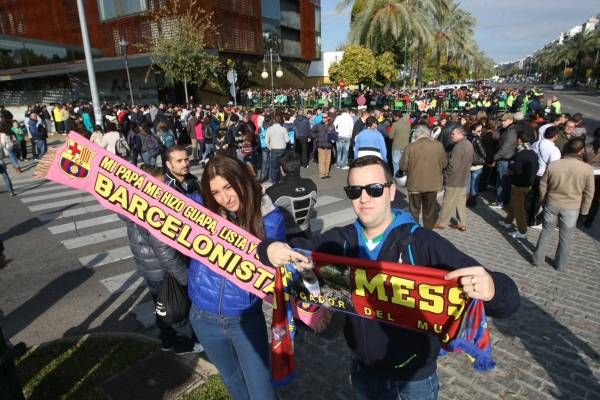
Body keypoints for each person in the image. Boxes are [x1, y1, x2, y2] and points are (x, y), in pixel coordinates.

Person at [258, 156, 520, 400]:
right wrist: (269, 248)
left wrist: (493, 288)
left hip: (415, 376)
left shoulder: (421, 243)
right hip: (364, 369)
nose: (364, 198)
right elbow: (294, 252)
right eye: (354, 191)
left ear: (391, 191)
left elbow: (507, 302)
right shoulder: (339, 241)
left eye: (374, 189)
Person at [188, 155, 284, 400]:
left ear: (242, 179)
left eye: (229, 187)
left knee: (261, 390)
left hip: (244, 320)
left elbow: (270, 259)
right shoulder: (201, 209)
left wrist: (271, 251)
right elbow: (151, 208)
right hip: (202, 316)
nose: (225, 198)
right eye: (216, 192)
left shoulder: (270, 217)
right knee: (232, 381)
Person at [125, 165, 199, 352]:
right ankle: (184, 344)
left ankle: (166, 340)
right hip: (163, 271)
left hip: (149, 268)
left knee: (162, 306)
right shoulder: (154, 211)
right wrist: (186, 278)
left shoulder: (133, 201)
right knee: (177, 309)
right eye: (161, 184)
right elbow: (166, 253)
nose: (165, 187)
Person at [532, 138, 595, 271]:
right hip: (572, 207)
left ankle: (538, 259)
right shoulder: (587, 169)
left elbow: (543, 184)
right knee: (566, 237)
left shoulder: (554, 165)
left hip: (552, 202)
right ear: (581, 150)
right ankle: (560, 264)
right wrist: (585, 211)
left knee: (546, 231)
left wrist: (544, 198)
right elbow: (589, 193)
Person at [400, 125, 447, 229]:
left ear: (416, 135)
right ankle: (428, 232)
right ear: (428, 134)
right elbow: (444, 163)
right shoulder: (438, 145)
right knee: (429, 211)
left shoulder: (410, 147)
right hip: (433, 184)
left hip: (414, 185)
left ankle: (415, 231)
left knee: (414, 210)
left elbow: (403, 166)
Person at [498, 127, 539, 239]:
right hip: (528, 184)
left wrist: (510, 167)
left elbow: (517, 169)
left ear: (520, 140)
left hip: (518, 185)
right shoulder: (533, 153)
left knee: (518, 209)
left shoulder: (521, 154)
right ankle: (507, 221)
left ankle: (522, 231)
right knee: (514, 204)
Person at [266, 151, 318, 240]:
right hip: (306, 234)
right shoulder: (311, 184)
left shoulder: (273, 191)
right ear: (299, 167)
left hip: (284, 237)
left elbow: (266, 217)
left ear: (282, 170)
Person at [434, 126, 474, 231]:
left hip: (454, 179)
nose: (451, 136)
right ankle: (462, 223)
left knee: (447, 202)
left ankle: (441, 223)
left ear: (461, 134)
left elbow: (453, 165)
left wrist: (446, 175)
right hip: (463, 178)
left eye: (453, 134)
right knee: (460, 202)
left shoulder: (459, 147)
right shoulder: (468, 144)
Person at [528, 126, 562, 228]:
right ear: (555, 136)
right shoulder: (554, 150)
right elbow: (554, 167)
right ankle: (533, 221)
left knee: (531, 196)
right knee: (539, 199)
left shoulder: (535, 144)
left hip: (532, 173)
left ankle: (527, 216)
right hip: (543, 176)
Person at [490, 113, 517, 209]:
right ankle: (503, 200)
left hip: (504, 159)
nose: (502, 122)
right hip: (504, 158)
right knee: (502, 181)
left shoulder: (510, 132)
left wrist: (495, 157)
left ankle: (500, 201)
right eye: (502, 120)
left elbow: (504, 148)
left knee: (501, 181)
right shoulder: (508, 130)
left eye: (504, 120)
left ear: (510, 120)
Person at [466, 121, 487, 207]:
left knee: (467, 184)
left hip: (467, 164)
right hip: (477, 165)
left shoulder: (465, 137)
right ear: (473, 130)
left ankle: (466, 201)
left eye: (481, 130)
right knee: (474, 185)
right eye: (478, 131)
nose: (480, 132)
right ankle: (472, 202)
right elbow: (483, 153)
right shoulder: (477, 139)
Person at [583, 128, 600, 228]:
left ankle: (581, 217)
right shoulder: (587, 147)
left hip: (587, 174)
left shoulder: (587, 147)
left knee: (583, 196)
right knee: (595, 200)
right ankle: (588, 222)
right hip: (597, 177)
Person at [266, 113, 289, 184]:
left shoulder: (269, 129)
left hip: (274, 150)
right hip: (282, 149)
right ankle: (282, 180)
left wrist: (270, 147)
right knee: (282, 165)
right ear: (280, 121)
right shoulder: (283, 129)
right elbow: (287, 140)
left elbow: (266, 141)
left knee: (274, 167)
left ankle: (274, 181)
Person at [389, 112, 411, 176]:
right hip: (406, 146)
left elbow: (391, 136)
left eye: (394, 117)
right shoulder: (408, 124)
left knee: (396, 164)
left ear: (397, 117)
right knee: (404, 163)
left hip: (396, 147)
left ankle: (396, 178)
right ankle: (403, 177)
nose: (393, 118)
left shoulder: (395, 124)